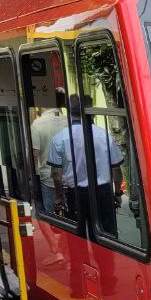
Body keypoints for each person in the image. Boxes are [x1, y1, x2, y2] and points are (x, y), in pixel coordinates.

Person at [46, 95, 123, 235]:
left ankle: (82, 257)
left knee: (77, 237)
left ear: (68, 111)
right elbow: (116, 170)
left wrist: (59, 196)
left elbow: (57, 174)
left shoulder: (60, 138)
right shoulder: (103, 134)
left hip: (75, 195)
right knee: (105, 236)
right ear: (90, 111)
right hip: (102, 192)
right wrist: (117, 193)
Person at [28, 89, 68, 214]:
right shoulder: (70, 121)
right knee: (72, 219)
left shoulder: (37, 124)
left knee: (52, 220)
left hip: (48, 180)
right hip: (71, 179)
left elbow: (34, 154)